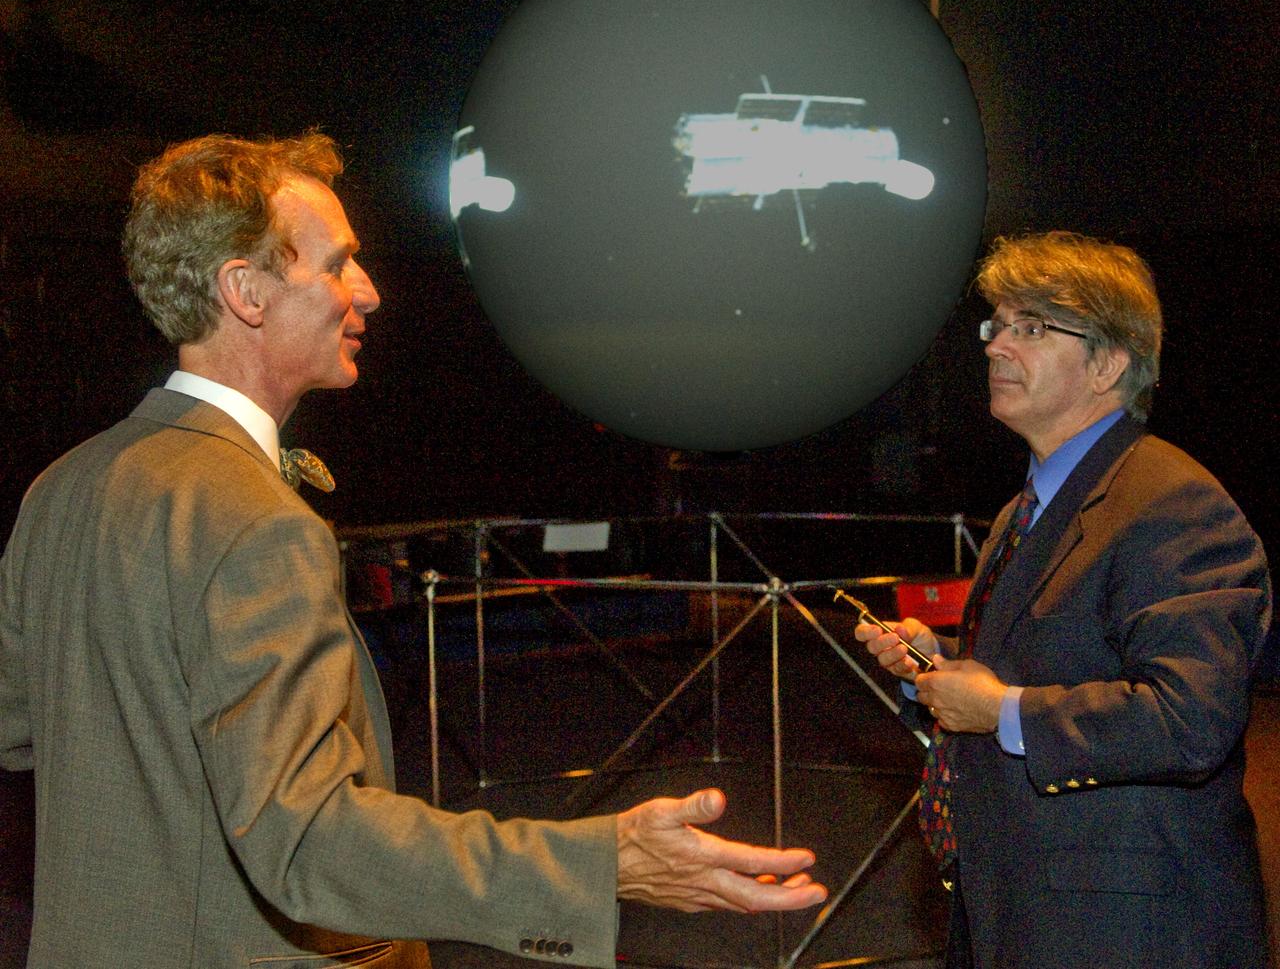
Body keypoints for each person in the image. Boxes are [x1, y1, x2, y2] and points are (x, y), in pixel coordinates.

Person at [0, 132, 826, 969]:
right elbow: (308, 843)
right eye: (337, 265)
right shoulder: (255, 520)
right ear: (245, 292)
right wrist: (601, 860)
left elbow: (26, 730)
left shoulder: (64, 486)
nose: (371, 291)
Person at [854, 231, 1271, 969]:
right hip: (1024, 905)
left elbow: (1191, 718)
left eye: (1032, 328)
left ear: (1109, 363)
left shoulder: (1172, 504)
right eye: (997, 325)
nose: (995, 347)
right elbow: (1041, 663)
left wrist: (1001, 708)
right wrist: (938, 666)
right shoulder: (1028, 511)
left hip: (1124, 929)